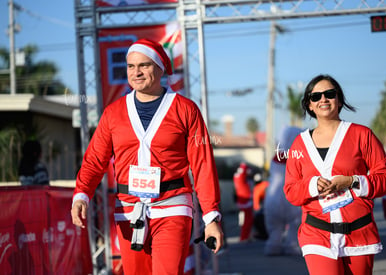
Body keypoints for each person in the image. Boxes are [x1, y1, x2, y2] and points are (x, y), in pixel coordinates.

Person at [71, 38, 224, 275]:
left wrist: (211, 217)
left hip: (172, 205)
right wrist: (82, 194)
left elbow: (203, 164)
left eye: (144, 65)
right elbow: (94, 159)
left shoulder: (186, 109)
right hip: (129, 209)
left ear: (160, 68)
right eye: (131, 66)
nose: (136, 72)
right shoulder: (112, 113)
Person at [284, 74, 386, 275]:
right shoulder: (299, 144)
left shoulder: (362, 135)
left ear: (339, 99)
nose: (323, 100)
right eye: (316, 96)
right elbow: (291, 191)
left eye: (329, 94)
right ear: (309, 105)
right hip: (316, 234)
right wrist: (312, 185)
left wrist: (352, 181)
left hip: (359, 233)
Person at [264, 126, 302, 256]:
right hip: (291, 196)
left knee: (275, 226)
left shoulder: (276, 156)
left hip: (273, 195)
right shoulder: (298, 156)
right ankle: (291, 245)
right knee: (295, 223)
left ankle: (273, 245)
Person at [233, 162, 254, 241]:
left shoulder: (239, 177)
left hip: (244, 201)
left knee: (247, 220)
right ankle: (244, 237)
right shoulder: (240, 177)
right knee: (247, 221)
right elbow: (244, 169)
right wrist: (244, 166)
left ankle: (246, 236)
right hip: (245, 202)